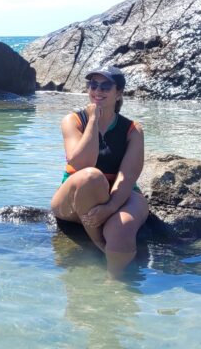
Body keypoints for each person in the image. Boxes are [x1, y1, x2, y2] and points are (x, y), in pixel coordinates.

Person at [49, 65, 148, 277]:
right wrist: (93, 120)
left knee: (123, 227)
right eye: (93, 85)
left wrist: (111, 207)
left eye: (105, 86)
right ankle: (99, 243)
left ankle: (116, 285)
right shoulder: (73, 121)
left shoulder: (133, 130)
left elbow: (128, 176)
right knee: (91, 176)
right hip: (76, 195)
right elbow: (82, 164)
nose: (97, 91)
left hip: (120, 193)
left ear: (119, 93)